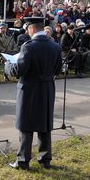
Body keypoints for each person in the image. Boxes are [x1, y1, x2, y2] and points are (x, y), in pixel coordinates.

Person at [8, 17, 62, 170]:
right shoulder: (55, 46)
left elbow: (19, 71)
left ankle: (23, 160)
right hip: (47, 88)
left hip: (29, 88)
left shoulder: (28, 46)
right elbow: (57, 70)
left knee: (26, 124)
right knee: (44, 124)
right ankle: (45, 159)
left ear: (31, 29)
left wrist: (9, 65)